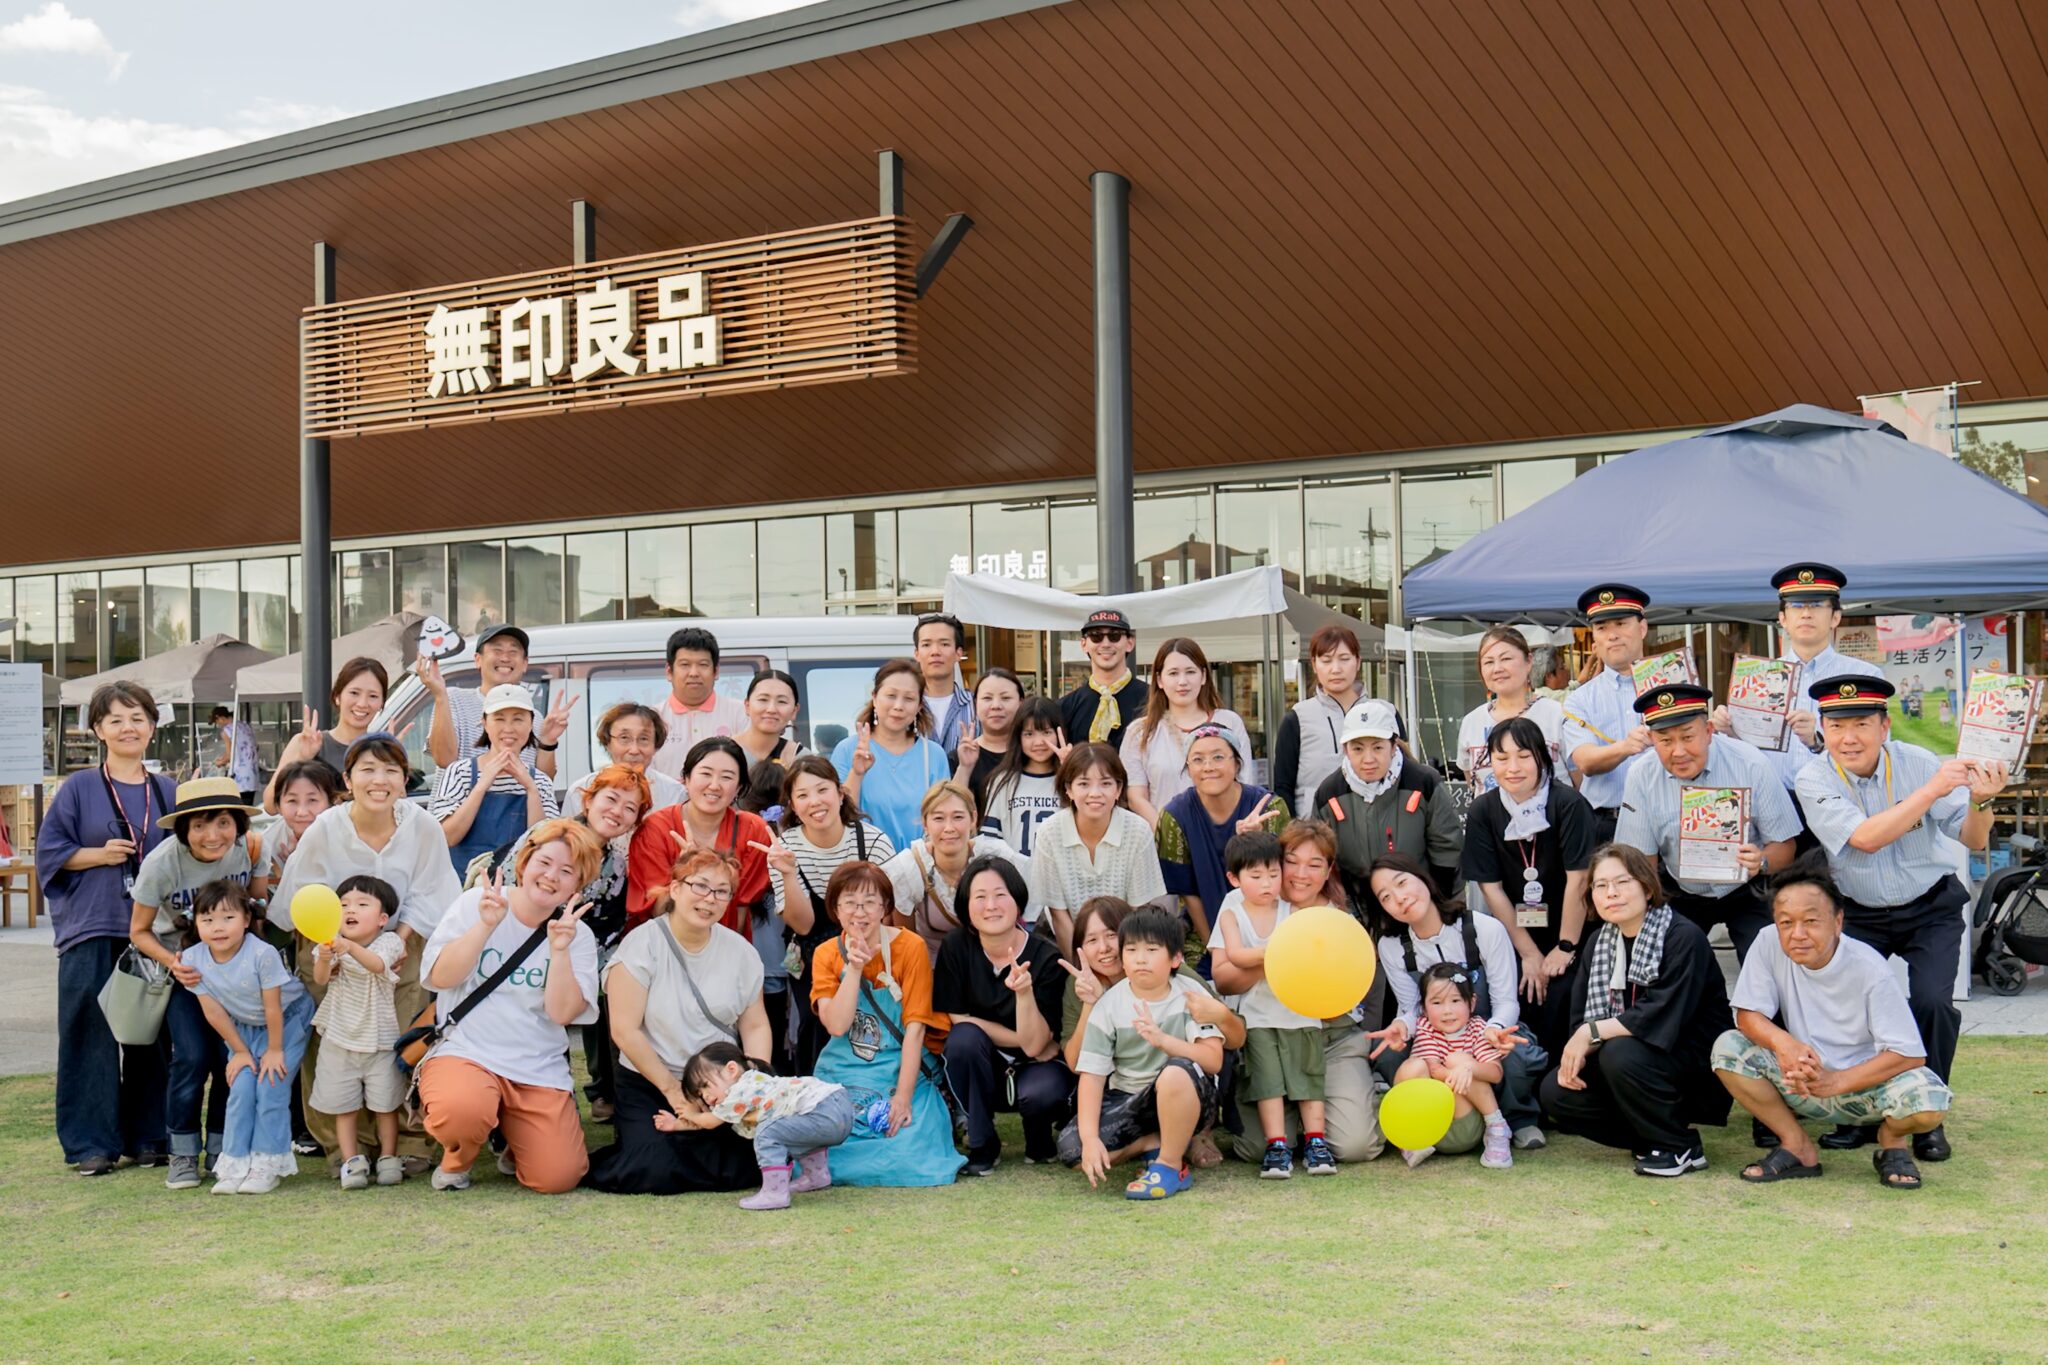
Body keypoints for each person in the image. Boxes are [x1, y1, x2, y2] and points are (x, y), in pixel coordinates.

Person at [1792, 674, 2004, 1161]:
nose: (1849, 738)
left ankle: (1928, 1114)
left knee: (1932, 1003)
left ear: (1885, 726)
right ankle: (1855, 1112)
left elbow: (1973, 838)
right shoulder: (1814, 777)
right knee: (1848, 1013)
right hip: (1857, 910)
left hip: (1929, 905)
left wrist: (1982, 801)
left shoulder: (1918, 763)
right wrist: (1930, 791)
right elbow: (1865, 839)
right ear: (1823, 729)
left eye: (1861, 724)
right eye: (1836, 726)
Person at [274, 733, 463, 1176]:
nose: (380, 780)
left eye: (391, 771)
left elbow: (432, 888)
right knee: (333, 1040)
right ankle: (346, 1147)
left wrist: (396, 940)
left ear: (404, 779)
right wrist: (339, 944)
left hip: (404, 940)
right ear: (348, 779)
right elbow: (303, 893)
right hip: (330, 943)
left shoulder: (422, 826)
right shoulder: (326, 828)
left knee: (404, 1035)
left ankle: (410, 1141)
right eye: (368, 770)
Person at [1712, 858, 1953, 1189]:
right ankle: (1797, 1146)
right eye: (1786, 922)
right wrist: (1785, 1044)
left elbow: (1909, 1055)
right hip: (1803, 1082)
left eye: (1811, 921)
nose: (1797, 934)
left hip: (1869, 1090)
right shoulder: (1767, 941)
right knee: (1728, 1048)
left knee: (1931, 1103)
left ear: (1838, 921)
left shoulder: (1869, 967)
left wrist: (1836, 1081)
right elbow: (1747, 1014)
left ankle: (1891, 1140)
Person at [417, 819, 605, 1193]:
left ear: (578, 885)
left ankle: (517, 1143)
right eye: (544, 862)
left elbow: (562, 1014)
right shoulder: (476, 903)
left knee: (558, 1176)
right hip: (467, 1052)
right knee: (462, 1110)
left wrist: (560, 951)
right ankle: (457, 1160)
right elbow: (440, 977)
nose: (551, 877)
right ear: (524, 862)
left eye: (567, 871)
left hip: (537, 1066)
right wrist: (485, 926)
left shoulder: (577, 934)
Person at [38, 681, 177, 1176]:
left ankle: (149, 1136)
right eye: (115, 719)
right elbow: (49, 852)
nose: (127, 728)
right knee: (88, 1033)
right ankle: (91, 1144)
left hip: (153, 929)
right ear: (98, 729)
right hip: (92, 925)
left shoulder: (167, 790)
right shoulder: (79, 788)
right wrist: (97, 855)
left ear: (153, 726)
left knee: (151, 1033)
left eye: (137, 718)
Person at [583, 849, 770, 1195]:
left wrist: (752, 1082)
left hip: (720, 1082)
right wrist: (673, 1092)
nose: (709, 899)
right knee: (654, 1166)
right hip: (651, 1079)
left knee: (752, 1161)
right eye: (700, 886)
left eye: (722, 891)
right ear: (675, 888)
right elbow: (624, 1030)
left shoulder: (741, 951)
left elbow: (755, 1025)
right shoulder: (641, 944)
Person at [467, 764, 648, 1123]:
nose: (617, 812)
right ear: (589, 799)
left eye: (630, 808)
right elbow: (506, 886)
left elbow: (607, 931)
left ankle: (536, 1122)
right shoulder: (547, 834)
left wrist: (577, 969)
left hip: (560, 967)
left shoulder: (614, 867)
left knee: (546, 1044)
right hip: (504, 956)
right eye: (611, 799)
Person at [1539, 844, 1733, 1177]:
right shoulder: (1598, 943)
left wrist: (1592, 1032)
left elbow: (1661, 1015)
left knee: (1620, 1052)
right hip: (1628, 1068)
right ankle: (1656, 1138)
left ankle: (1677, 1147)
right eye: (1601, 885)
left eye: (1622, 882)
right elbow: (1582, 1019)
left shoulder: (1682, 937)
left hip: (1691, 1066)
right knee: (1556, 1092)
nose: (1611, 893)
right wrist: (1583, 1042)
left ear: (1646, 887)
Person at [130, 776, 268, 1190]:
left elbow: (257, 909)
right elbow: (139, 931)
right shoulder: (161, 864)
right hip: (184, 974)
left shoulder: (249, 848)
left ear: (238, 824)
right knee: (190, 1058)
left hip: (237, 974)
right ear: (183, 828)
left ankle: (224, 1150)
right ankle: (183, 1153)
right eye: (200, 825)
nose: (213, 835)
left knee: (232, 1057)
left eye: (224, 822)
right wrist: (174, 963)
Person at [1614, 684, 1802, 964]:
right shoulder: (1641, 775)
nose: (1678, 751)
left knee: (1771, 963)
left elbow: (1785, 846)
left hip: (1747, 888)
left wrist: (1761, 861)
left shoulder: (1751, 763)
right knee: (1665, 963)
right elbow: (1642, 862)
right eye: (1665, 741)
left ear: (1709, 731)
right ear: (1651, 739)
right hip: (1681, 889)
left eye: (1688, 737)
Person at [1364, 853, 1543, 1146]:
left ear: (1422, 878)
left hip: (1484, 1027)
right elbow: (1412, 1008)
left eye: (1402, 883)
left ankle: (1518, 1119)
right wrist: (1402, 1026)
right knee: (1388, 1053)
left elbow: (1506, 1001)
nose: (1399, 898)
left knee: (1513, 1051)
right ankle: (1430, 1119)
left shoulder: (1484, 928)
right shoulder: (1392, 946)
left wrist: (1494, 1029)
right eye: (1385, 897)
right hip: (1431, 1035)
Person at [806, 861, 964, 1185]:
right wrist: (853, 968)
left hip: (899, 1067)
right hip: (844, 1068)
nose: (859, 912)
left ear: (885, 907)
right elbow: (836, 1026)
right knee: (820, 1140)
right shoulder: (826, 953)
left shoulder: (910, 947)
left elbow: (915, 1029)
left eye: (869, 902)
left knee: (911, 1149)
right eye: (850, 903)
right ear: (836, 909)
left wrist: (903, 1098)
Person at [1058, 906, 1227, 1201]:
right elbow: (1092, 1077)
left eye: (1151, 949)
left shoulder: (1189, 995)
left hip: (1189, 1095)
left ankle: (1169, 1166)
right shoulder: (1108, 1004)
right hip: (1132, 1099)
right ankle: (1157, 1143)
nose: (1140, 959)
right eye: (1132, 950)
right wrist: (1090, 1139)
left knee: (1174, 1072)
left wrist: (1165, 1042)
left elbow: (1214, 1061)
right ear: (1122, 958)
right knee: (1072, 1148)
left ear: (1175, 958)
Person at [932, 856, 1075, 1174]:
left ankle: (1039, 1139)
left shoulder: (1046, 958)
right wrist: (1020, 1040)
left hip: (1037, 1068)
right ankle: (983, 1144)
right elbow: (958, 1020)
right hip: (986, 1066)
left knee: (1042, 1091)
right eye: (980, 897)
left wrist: (1024, 994)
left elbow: (1036, 1046)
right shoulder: (956, 947)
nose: (990, 906)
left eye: (1000, 895)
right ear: (966, 905)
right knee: (963, 1041)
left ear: (1018, 901)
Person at [1460, 716, 1593, 1056]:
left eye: (1523, 756)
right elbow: (1491, 887)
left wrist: (1565, 946)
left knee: (1562, 993)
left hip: (1573, 929)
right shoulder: (1483, 810)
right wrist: (1529, 953)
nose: (1513, 767)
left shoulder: (1568, 804)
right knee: (1521, 992)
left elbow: (1579, 879)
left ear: (1542, 758)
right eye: (1502, 758)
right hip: (1517, 932)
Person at [1206, 831, 1334, 1178]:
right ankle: (1277, 1145)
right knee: (1268, 1083)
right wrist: (1276, 953)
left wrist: (1276, 955)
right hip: (1258, 1018)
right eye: (1256, 876)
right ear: (1234, 879)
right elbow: (1235, 956)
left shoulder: (1294, 911)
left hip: (1302, 1013)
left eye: (1274, 874)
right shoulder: (1232, 913)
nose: (1267, 883)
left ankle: (1316, 1142)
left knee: (1309, 1080)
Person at [762, 756, 896, 1072]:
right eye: (803, 795)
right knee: (814, 1021)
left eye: (822, 790)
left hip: (870, 946)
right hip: (810, 952)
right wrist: (789, 872)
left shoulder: (872, 841)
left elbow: (888, 916)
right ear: (793, 805)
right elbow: (802, 925)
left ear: (840, 793)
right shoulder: (784, 848)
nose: (815, 802)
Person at [180, 881, 313, 1195]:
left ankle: (267, 1163)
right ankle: (235, 1163)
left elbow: (273, 1007)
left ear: (246, 919)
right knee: (240, 1088)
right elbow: (214, 1012)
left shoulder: (262, 953)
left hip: (286, 1020)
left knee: (270, 1086)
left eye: (228, 918)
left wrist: (275, 1050)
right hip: (243, 1027)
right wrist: (240, 1051)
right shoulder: (191, 959)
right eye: (207, 919)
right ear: (195, 922)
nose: (218, 927)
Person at [1270, 820, 1387, 1163]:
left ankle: (1360, 1097)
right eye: (1291, 861)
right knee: (1258, 1146)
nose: (1300, 874)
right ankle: (1304, 1120)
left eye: (1314, 864)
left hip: (1333, 1039)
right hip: (1276, 1040)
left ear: (1328, 870)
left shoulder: (1341, 920)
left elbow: (1365, 983)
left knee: (1357, 1147)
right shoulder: (1260, 906)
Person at [1713, 564, 1883, 792]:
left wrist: (1817, 741)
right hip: (1775, 799)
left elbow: (1877, 750)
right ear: (1782, 619)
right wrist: (1730, 731)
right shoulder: (1758, 677)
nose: (1806, 614)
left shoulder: (1864, 676)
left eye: (1817, 605)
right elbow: (1749, 753)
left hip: (1841, 797)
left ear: (1835, 617)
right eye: (1796, 606)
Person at [307, 875, 407, 1190]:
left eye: (362, 904)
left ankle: (388, 1157)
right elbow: (321, 979)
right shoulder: (329, 942)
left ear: (382, 918)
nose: (350, 910)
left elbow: (377, 965)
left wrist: (348, 947)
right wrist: (326, 957)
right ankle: (352, 1161)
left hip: (380, 1039)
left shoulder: (390, 942)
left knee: (386, 1106)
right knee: (344, 1107)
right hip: (339, 1038)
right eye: (343, 904)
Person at [669, 1041, 856, 1210]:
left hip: (823, 1110)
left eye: (705, 1086)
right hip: (840, 1105)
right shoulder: (756, 1081)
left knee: (766, 1133)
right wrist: (679, 1126)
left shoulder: (739, 1090)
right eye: (700, 1095)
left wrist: (691, 1115)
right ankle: (816, 1176)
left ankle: (775, 1193)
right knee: (790, 1130)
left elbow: (712, 1121)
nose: (706, 1096)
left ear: (731, 1070)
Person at [1313, 698, 1464, 901]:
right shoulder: (1329, 793)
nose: (1368, 759)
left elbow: (1447, 849)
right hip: (1354, 906)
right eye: (1358, 749)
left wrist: (1435, 905)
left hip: (1419, 902)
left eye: (1378, 748)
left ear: (1393, 747)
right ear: (1345, 750)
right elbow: (1321, 856)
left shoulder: (1425, 783)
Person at [1156, 724, 1290, 950]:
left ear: (1237, 764)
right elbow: (1187, 893)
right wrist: (1214, 946)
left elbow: (1286, 877)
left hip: (1270, 929)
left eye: (1218, 757)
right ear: (1188, 768)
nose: (1208, 767)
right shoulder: (1175, 816)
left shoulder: (1269, 807)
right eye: (1198, 759)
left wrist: (1258, 840)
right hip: (1202, 932)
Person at [1028, 744, 1168, 957]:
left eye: (1106, 783)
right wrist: (1081, 969)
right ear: (1068, 789)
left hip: (1126, 946)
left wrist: (1119, 965)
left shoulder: (1138, 831)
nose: (1095, 793)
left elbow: (1137, 913)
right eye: (1083, 784)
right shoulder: (1049, 833)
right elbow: (1059, 915)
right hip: (1067, 947)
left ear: (1118, 789)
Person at [628, 737, 771, 934]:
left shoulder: (753, 831)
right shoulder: (655, 829)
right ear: (686, 779)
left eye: (727, 777)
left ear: (738, 787)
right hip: (663, 941)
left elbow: (740, 910)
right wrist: (686, 871)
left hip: (725, 941)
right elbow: (657, 909)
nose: (714, 785)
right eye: (705, 774)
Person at [881, 780, 1029, 959]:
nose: (949, 828)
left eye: (958, 817)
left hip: (991, 961)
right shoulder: (910, 867)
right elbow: (906, 943)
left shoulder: (995, 856)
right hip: (933, 964)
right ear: (925, 823)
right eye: (938, 818)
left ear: (973, 819)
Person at [1391, 963, 1513, 1170]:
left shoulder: (1478, 1028)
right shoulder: (1424, 1027)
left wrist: (1468, 1068)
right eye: (1437, 1002)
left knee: (1458, 1060)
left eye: (1455, 1001)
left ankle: (1497, 1127)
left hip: (1462, 1125)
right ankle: (1409, 1138)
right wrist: (1455, 1073)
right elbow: (1433, 1069)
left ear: (1471, 1003)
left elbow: (1496, 1073)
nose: (1447, 1011)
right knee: (1413, 1066)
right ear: (1424, 1008)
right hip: (1427, 1124)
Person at [1561, 583, 1658, 842]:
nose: (1612, 635)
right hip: (1605, 825)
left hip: (1663, 820)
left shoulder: (1671, 685)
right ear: (1594, 638)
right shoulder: (1579, 699)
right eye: (1602, 628)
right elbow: (1586, 761)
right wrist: (1626, 747)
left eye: (1621, 624)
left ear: (1642, 628)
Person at [1120, 636, 1253, 825]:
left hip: (1227, 834)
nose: (1182, 682)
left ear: (1204, 676)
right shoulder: (1140, 732)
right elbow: (1136, 796)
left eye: (1190, 672)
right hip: (1162, 836)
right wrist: (1167, 832)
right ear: (1159, 679)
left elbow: (1245, 782)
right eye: (1173, 673)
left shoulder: (1229, 722)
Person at [430, 684, 559, 876]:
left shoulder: (540, 781)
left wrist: (531, 789)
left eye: (518, 719)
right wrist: (482, 785)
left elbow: (545, 845)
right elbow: (447, 837)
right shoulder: (459, 772)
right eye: (499, 719)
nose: (508, 728)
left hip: (516, 886)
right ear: (484, 723)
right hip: (461, 885)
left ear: (531, 724)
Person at [422, 625, 577, 781]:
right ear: (478, 660)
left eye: (513, 652)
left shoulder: (534, 716)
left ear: (525, 663)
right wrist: (440, 696)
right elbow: (444, 760)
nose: (505, 658)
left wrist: (548, 741)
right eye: (497, 650)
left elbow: (544, 781)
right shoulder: (453, 699)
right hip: (459, 798)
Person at [831, 658, 951, 851]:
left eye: (909, 699)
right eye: (891, 696)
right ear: (874, 697)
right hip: (865, 862)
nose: (898, 706)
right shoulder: (847, 749)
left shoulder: (934, 754)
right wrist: (857, 773)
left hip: (919, 862)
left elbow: (944, 817)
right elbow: (838, 814)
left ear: (919, 706)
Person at [263, 656, 387, 813]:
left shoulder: (382, 751)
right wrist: (301, 759)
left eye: (373, 696)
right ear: (337, 696)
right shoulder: (305, 743)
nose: (362, 703)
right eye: (354, 693)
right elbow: (270, 806)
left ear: (382, 703)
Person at [1271, 623, 1367, 817]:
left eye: (1344, 659)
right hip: (1315, 828)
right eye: (1326, 660)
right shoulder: (1297, 719)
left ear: (1358, 662)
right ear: (1314, 665)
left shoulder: (1384, 713)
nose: (1336, 669)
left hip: (1375, 826)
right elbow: (1283, 787)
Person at [1454, 627, 1566, 793]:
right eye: (1489, 662)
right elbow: (1473, 782)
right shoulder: (1471, 722)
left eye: (1506, 659)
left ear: (1529, 661)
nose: (1497, 668)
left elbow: (1579, 781)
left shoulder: (1557, 715)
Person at [649, 626, 748, 780]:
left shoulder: (741, 713)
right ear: (669, 671)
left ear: (716, 671)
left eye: (703, 665)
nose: (694, 673)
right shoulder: (652, 719)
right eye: (685, 665)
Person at [978, 695, 1067, 858]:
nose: (1038, 742)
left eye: (1047, 732)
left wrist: (1072, 770)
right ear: (1018, 737)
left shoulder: (1071, 781)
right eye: (1029, 734)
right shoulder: (1003, 781)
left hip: (1060, 872)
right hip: (1014, 872)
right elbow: (990, 841)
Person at [563, 702, 686, 816]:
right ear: (607, 743)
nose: (634, 750)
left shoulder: (675, 793)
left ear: (656, 746)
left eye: (643, 739)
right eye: (624, 738)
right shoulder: (580, 791)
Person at [1058, 607, 1148, 750]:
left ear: (1130, 643)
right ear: (1084, 644)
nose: (1106, 644)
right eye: (1096, 636)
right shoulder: (1065, 707)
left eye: (1114, 636)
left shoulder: (1154, 700)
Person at [261, 758, 346, 883]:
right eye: (292, 801)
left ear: (332, 802)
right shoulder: (266, 846)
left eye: (312, 800)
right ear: (278, 806)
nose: (302, 812)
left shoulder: (347, 838)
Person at [953, 666, 1024, 807]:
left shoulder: (1034, 753)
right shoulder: (959, 758)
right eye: (987, 698)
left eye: (1006, 698)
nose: (996, 706)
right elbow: (952, 807)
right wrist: (965, 768)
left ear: (1021, 703)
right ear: (975, 704)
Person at [912, 612, 975, 754]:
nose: (935, 652)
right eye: (926, 644)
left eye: (944, 644)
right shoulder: (906, 706)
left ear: (958, 653)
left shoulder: (975, 706)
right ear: (917, 654)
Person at [734, 668, 804, 772]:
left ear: (794, 711)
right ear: (747, 706)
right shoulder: (723, 752)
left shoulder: (800, 759)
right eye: (763, 699)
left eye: (782, 701)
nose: (771, 709)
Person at [209, 706, 261, 803]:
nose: (218, 725)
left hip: (240, 777)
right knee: (248, 805)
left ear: (220, 717)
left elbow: (230, 755)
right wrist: (223, 758)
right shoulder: (245, 726)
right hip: (252, 774)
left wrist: (219, 762)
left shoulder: (227, 731)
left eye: (217, 722)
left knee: (238, 807)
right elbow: (255, 747)